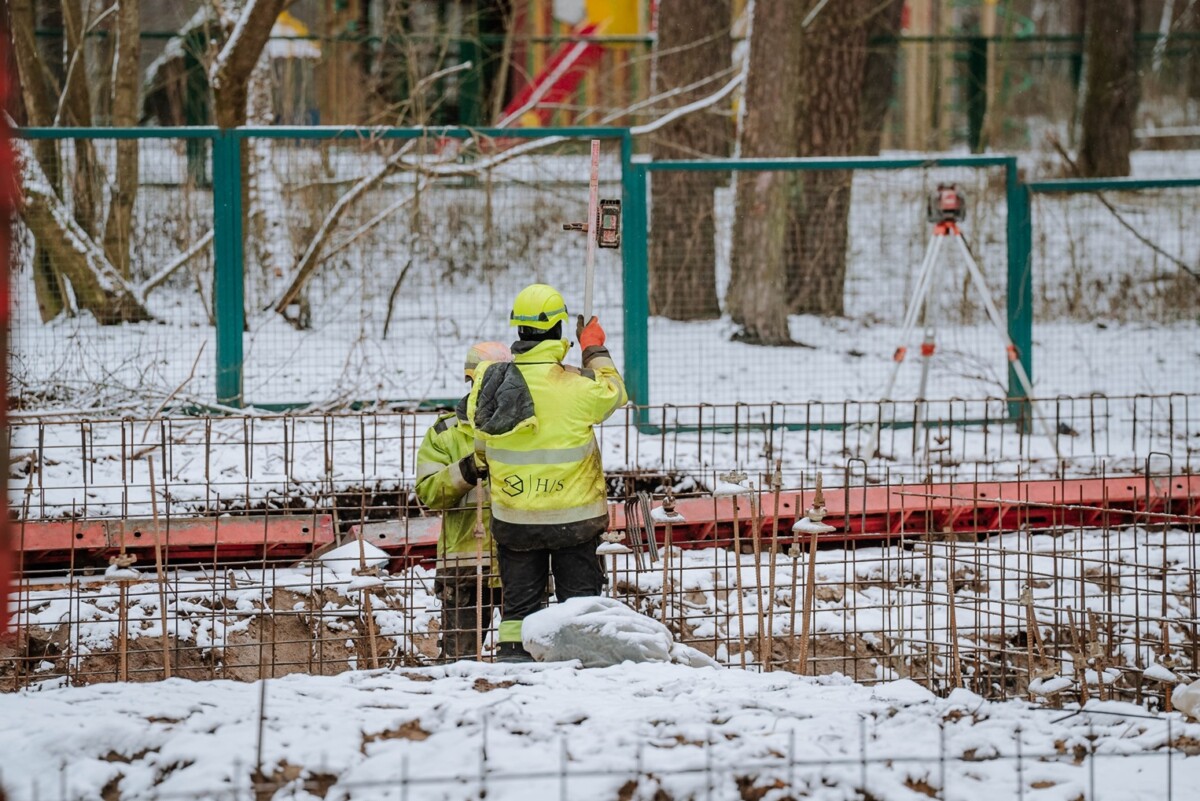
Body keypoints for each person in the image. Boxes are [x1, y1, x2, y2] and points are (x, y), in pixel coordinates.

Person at [467, 283, 627, 662]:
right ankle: (581, 667)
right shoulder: (578, 384)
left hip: (515, 519)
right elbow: (616, 392)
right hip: (575, 520)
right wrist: (593, 346)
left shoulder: (491, 382)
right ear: (558, 330)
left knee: (518, 609)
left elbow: (481, 449)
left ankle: (512, 665)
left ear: (518, 330)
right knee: (581, 607)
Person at [415, 341, 511, 661]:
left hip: (519, 561)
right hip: (465, 564)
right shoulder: (446, 433)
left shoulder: (524, 427)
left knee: (525, 657)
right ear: (471, 380)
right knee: (459, 661)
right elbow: (429, 493)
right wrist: (467, 469)